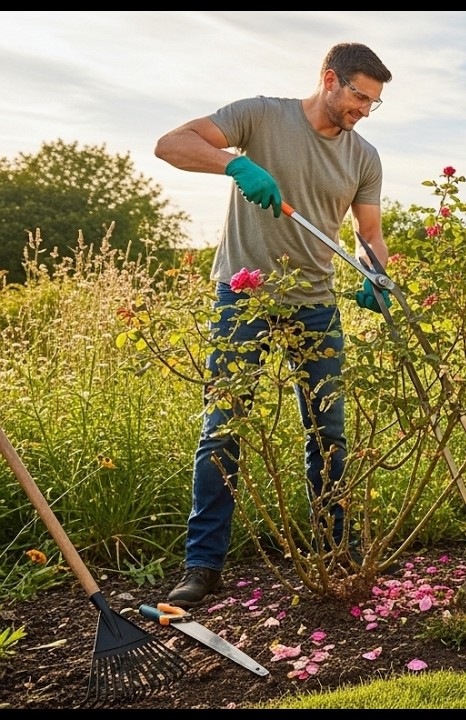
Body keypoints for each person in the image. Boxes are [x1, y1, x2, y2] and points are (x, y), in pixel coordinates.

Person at [154, 42, 392, 608]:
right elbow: (171, 145)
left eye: (373, 104)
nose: (363, 110)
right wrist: (234, 161)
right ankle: (203, 564)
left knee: (328, 431)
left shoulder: (364, 157)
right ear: (330, 79)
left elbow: (370, 233)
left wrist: (379, 274)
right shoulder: (260, 115)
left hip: (314, 302)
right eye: (359, 96)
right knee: (223, 426)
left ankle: (335, 553)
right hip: (245, 298)